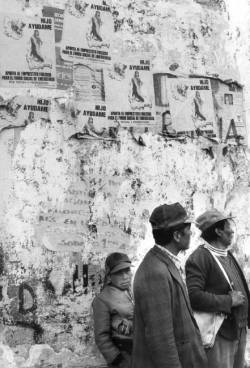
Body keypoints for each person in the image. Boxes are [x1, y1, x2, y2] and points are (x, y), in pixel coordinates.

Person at [132, 202, 207, 368]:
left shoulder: (165, 263)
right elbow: (161, 340)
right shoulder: (154, 272)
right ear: (177, 236)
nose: (191, 232)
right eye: (188, 229)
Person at [185, 209, 250, 368]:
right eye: (228, 225)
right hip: (220, 333)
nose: (232, 230)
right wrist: (229, 300)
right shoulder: (200, 257)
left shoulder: (227, 255)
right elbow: (193, 296)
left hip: (238, 330)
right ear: (218, 231)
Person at [92, 252, 133, 368]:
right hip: (124, 356)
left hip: (140, 352)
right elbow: (101, 336)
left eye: (127, 270)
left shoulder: (131, 291)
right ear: (109, 276)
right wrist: (117, 360)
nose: (125, 276)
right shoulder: (102, 300)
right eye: (119, 273)